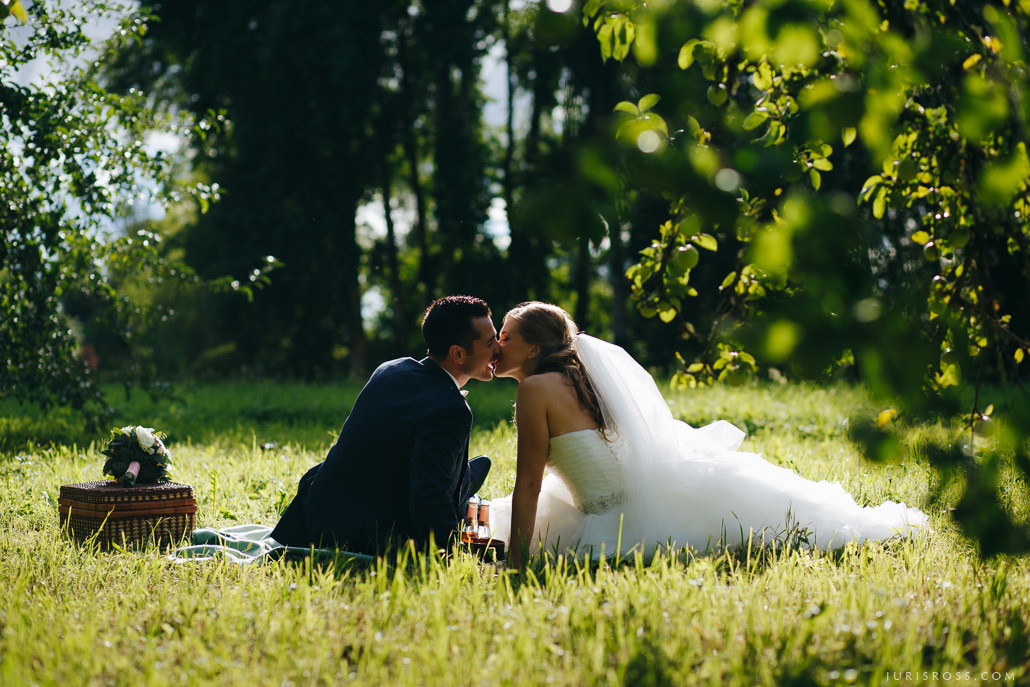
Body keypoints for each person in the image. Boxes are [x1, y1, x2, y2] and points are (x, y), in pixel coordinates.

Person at [488, 302, 929, 567]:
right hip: (634, 493)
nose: (496, 345)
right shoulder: (581, 379)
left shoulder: (534, 389)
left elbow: (529, 483)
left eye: (504, 337)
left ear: (532, 348)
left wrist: (518, 563)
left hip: (620, 516)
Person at [270, 295, 500, 554]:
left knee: (442, 468)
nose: (499, 349)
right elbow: (429, 495)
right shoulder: (451, 408)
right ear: (457, 353)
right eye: (491, 342)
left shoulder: (392, 368)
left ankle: (462, 478)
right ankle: (462, 486)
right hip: (363, 532)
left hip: (317, 510)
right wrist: (450, 552)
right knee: (447, 490)